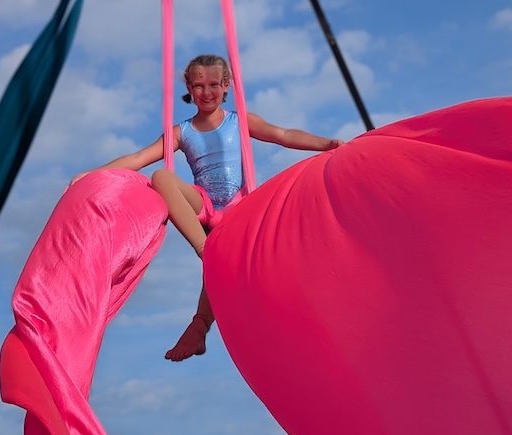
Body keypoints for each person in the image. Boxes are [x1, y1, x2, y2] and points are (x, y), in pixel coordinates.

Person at [71, 54, 343, 361]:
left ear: (226, 85)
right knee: (161, 176)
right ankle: (205, 249)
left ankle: (199, 326)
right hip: (206, 207)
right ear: (188, 87)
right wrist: (93, 174)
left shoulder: (238, 120)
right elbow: (137, 159)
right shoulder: (182, 131)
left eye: (214, 84)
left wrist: (325, 144)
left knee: (226, 265)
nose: (207, 91)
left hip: (240, 207)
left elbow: (282, 135)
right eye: (199, 85)